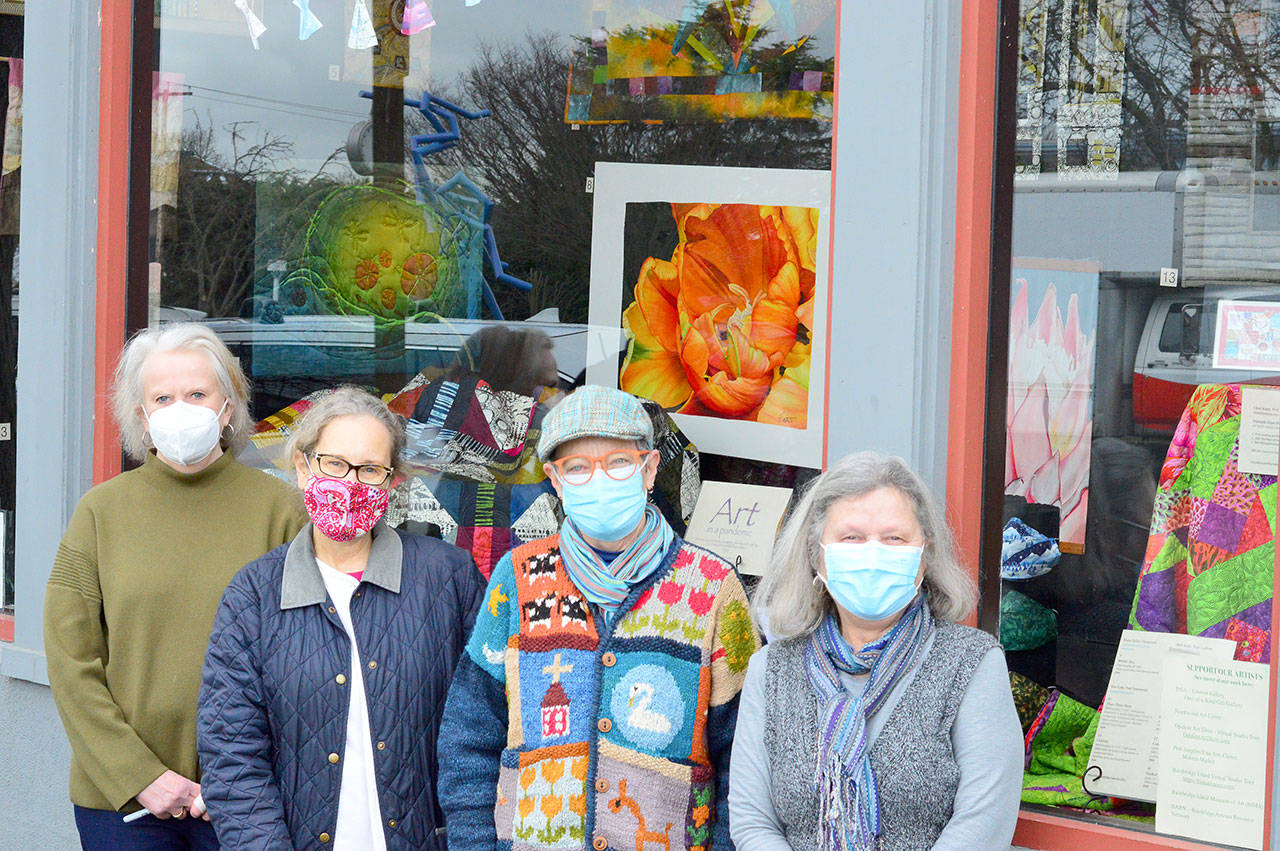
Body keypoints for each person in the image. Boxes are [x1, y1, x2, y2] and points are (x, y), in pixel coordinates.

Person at [437, 384, 760, 850]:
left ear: (650, 468)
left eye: (619, 462)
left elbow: (744, 759)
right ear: (555, 480)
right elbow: (470, 733)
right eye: (578, 467)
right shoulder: (518, 576)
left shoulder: (712, 588)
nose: (600, 479)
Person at [44, 323, 308, 850]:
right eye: (162, 398)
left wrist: (239, 774)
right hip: (123, 801)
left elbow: (305, 656)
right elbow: (71, 662)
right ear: (142, 416)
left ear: (228, 407)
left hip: (248, 795)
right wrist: (140, 776)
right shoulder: (100, 513)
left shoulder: (283, 511)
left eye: (197, 394)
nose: (179, 409)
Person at [197, 386, 484, 850]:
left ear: (392, 482)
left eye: (370, 469)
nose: (350, 482)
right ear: (302, 466)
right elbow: (232, 757)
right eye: (334, 463)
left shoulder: (447, 578)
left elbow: (483, 730)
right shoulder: (254, 595)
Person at [729, 451, 1023, 850]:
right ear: (817, 554)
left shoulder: (971, 664)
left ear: (924, 557)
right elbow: (752, 822)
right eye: (852, 538)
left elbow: (983, 823)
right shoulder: (773, 669)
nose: (873, 553)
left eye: (894, 538)